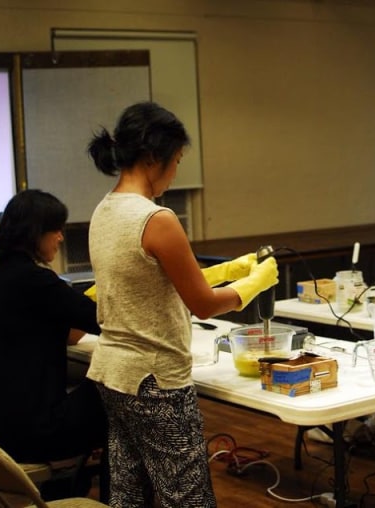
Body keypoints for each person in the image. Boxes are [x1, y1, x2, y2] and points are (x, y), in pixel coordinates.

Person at [86, 101, 279, 507]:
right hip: (155, 381)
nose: (175, 175)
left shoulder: (104, 210)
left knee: (128, 494)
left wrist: (230, 270)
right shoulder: (157, 218)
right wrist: (253, 284)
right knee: (188, 499)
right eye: (175, 162)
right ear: (155, 157)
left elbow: (153, 284)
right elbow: (203, 304)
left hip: (113, 374)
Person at [0, 189, 108, 500]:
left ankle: (70, 487)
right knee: (116, 395)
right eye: (55, 229)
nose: (60, 237)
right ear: (35, 233)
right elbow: (102, 318)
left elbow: (60, 324)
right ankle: (114, 497)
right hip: (30, 434)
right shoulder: (37, 282)